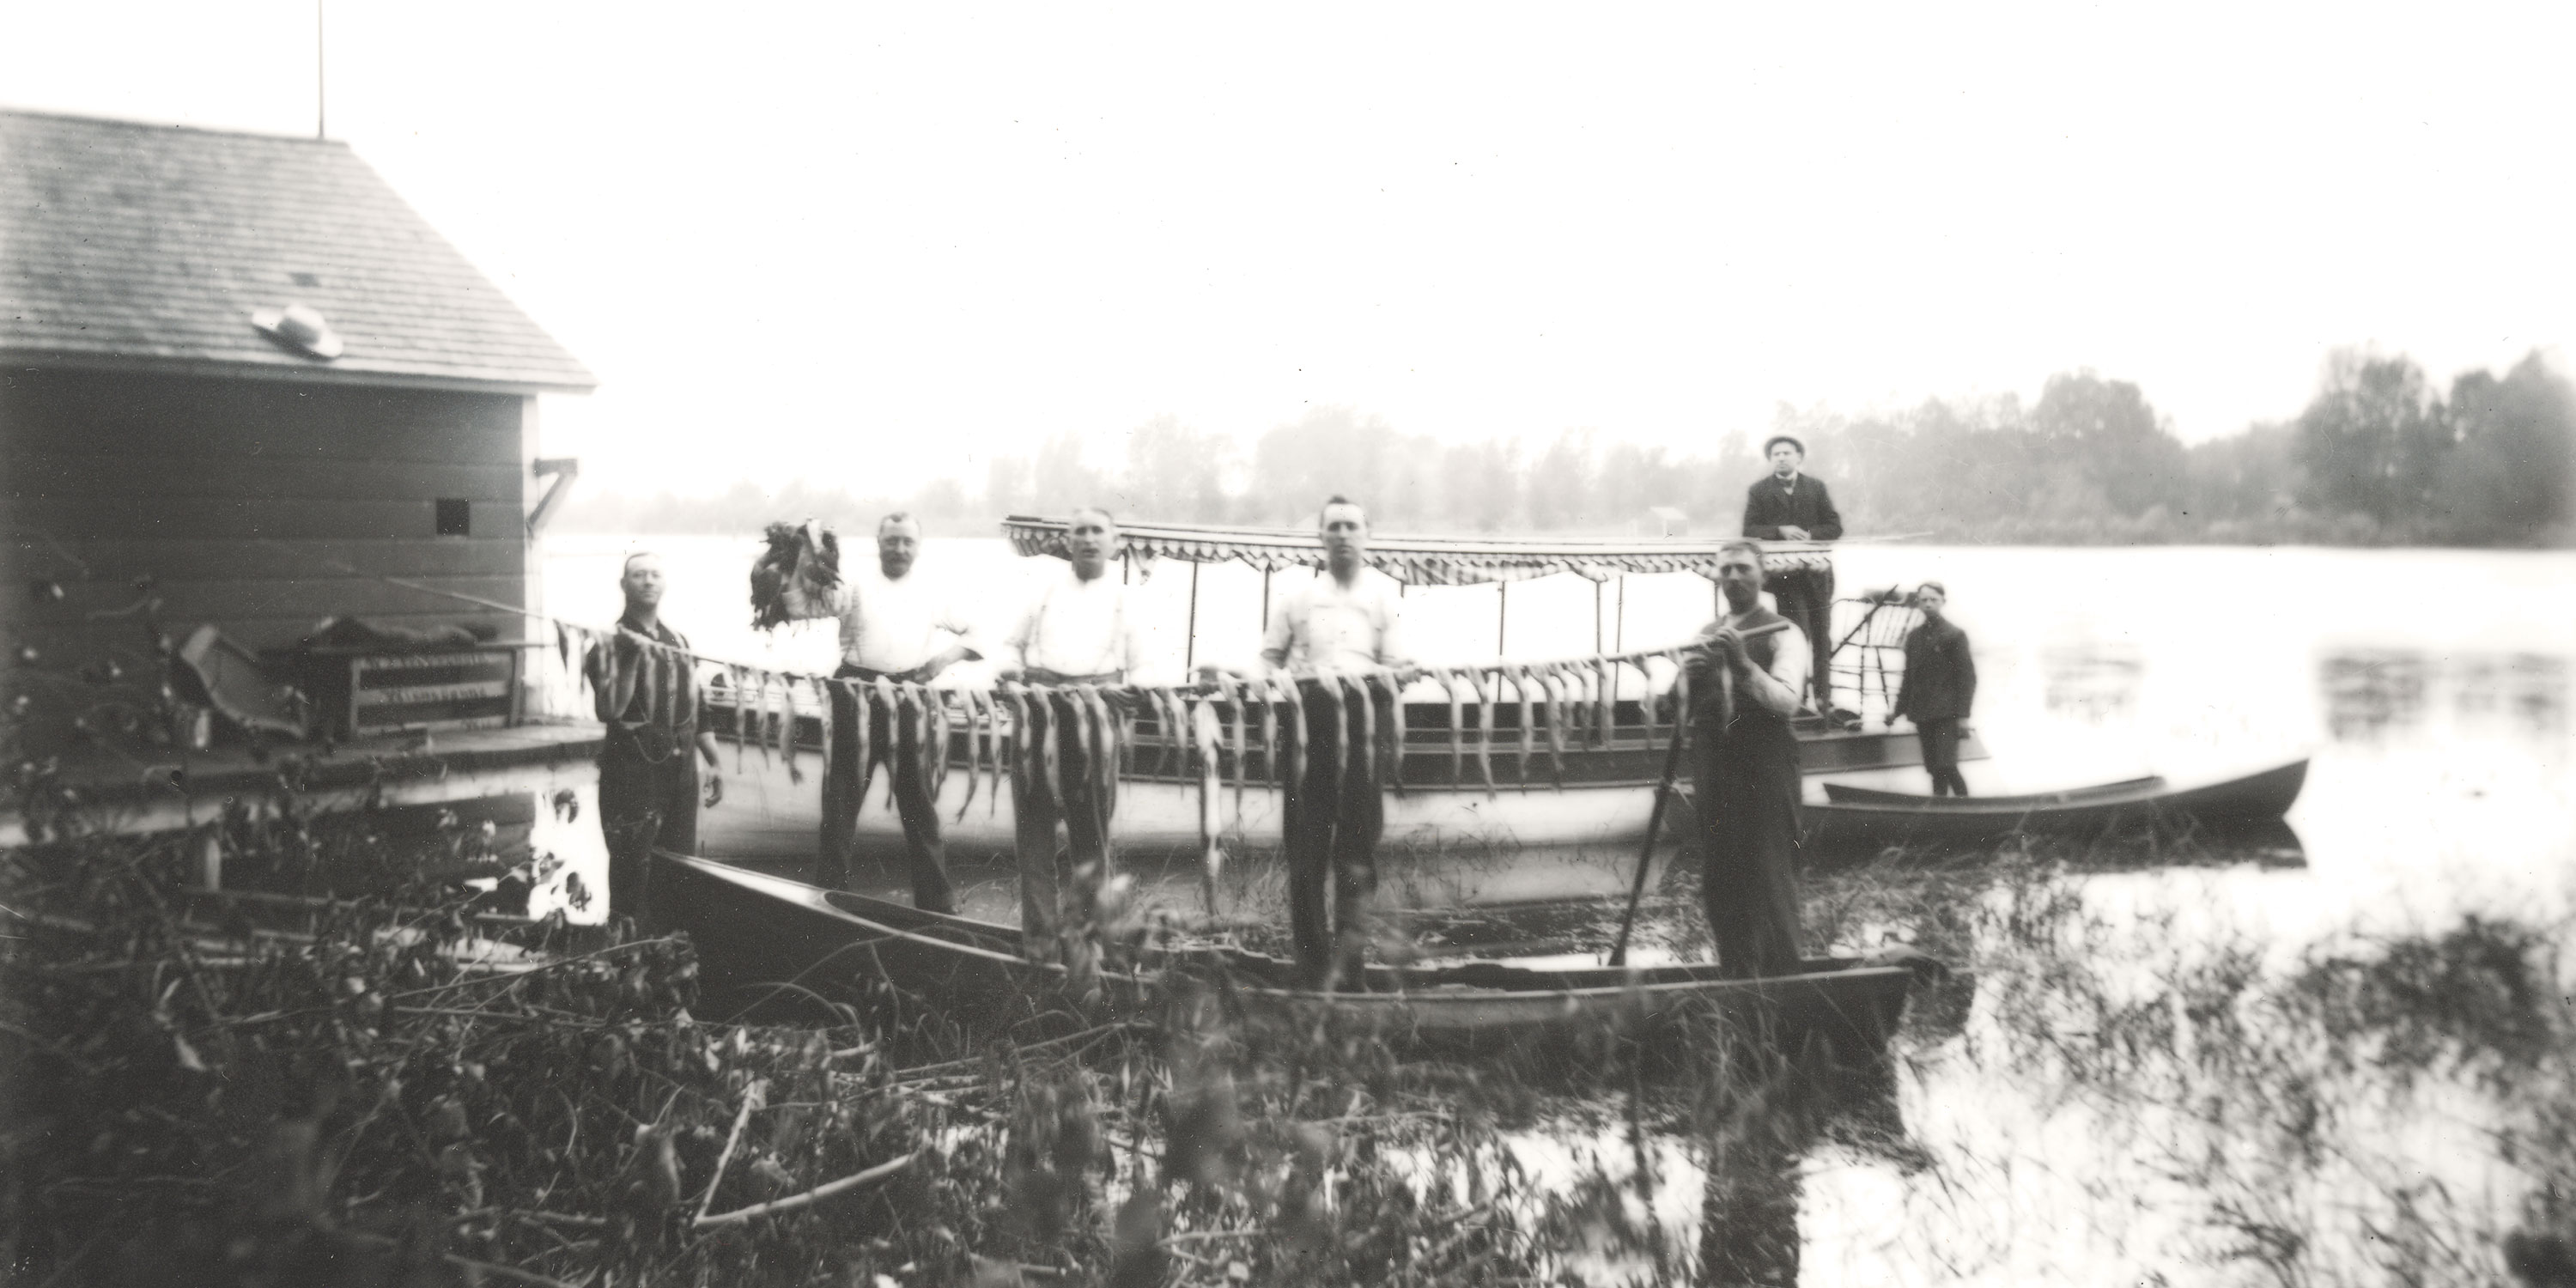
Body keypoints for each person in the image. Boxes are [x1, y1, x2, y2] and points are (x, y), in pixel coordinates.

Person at [781, 513, 983, 912]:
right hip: (854, 691)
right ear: (878, 542)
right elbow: (799, 607)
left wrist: (943, 661)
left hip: (909, 696)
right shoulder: (853, 584)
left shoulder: (932, 590)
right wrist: (803, 555)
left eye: (907, 541)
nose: (899, 549)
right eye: (892, 541)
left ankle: (937, 904)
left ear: (918, 546)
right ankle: (830, 897)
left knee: (918, 801)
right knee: (841, 798)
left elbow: (978, 631)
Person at [1260, 495, 1413, 990]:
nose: (1343, 535)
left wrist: (1395, 676)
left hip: (1365, 727)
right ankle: (1310, 966)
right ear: (1320, 538)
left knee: (1358, 851)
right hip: (1309, 728)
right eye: (1334, 527)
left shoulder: (1386, 598)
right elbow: (1267, 659)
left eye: (1352, 526)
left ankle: (1352, 970)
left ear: (1367, 535)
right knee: (1305, 852)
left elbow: (1398, 666)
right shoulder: (1296, 599)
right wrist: (1278, 680)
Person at [997, 507, 1145, 958]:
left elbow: (1145, 664)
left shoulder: (1127, 598)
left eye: (1097, 531)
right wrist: (1006, 673)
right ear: (1067, 539)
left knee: (1091, 834)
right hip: (1040, 712)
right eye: (1078, 530)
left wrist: (1133, 689)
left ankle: (1085, 942)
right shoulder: (1043, 590)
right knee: (1035, 832)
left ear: (1114, 541)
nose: (1087, 539)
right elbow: (1009, 646)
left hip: (1097, 714)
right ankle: (1038, 943)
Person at [1685, 539, 1809, 979]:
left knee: (1770, 873)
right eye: (1726, 570)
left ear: (1763, 576)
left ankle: (1785, 980)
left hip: (1766, 765)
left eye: (1743, 569)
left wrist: (1743, 667)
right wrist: (1683, 683)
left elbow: (1788, 701)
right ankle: (1737, 978)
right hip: (1715, 767)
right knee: (1721, 875)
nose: (1733, 577)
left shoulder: (1783, 632)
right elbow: (1681, 707)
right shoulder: (1705, 632)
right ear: (1716, 578)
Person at [588, 551, 722, 928]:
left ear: (664, 584)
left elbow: (699, 708)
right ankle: (626, 961)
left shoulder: (678, 640)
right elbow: (608, 709)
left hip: (681, 773)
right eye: (638, 575)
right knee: (631, 871)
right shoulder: (607, 645)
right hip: (631, 773)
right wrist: (629, 658)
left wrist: (714, 761)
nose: (648, 581)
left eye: (655, 574)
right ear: (623, 585)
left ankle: (668, 958)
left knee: (679, 868)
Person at [1740, 434, 1843, 714]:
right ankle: (1799, 696)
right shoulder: (1759, 491)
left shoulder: (1816, 488)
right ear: (1771, 459)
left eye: (1787, 453)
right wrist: (1779, 531)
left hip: (1818, 577)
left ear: (1799, 457)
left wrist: (1810, 535)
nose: (1781, 458)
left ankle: (1823, 698)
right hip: (1785, 580)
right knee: (1796, 637)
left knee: (1822, 636)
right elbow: (1749, 530)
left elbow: (1834, 527)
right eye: (1776, 454)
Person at [1892, 580, 1976, 796]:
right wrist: (1896, 712)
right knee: (1934, 770)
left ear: (1943, 602)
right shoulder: (1914, 637)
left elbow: (1967, 678)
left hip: (1947, 713)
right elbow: (1908, 679)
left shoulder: (1954, 635)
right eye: (1924, 600)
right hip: (1922, 713)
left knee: (1947, 765)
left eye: (1933, 600)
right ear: (1918, 603)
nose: (1928, 604)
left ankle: (1965, 811)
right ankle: (1941, 813)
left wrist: (1963, 716)